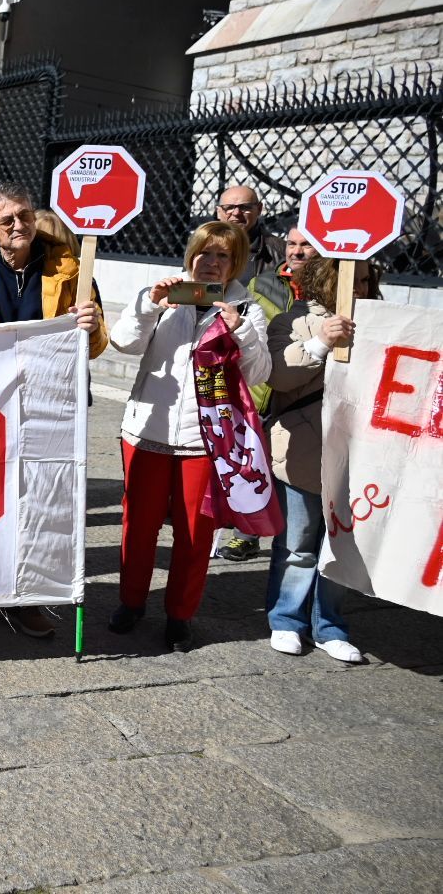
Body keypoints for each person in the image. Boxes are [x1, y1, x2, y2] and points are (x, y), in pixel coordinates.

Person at [0, 183, 107, 638]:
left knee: (42, 503)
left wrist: (87, 328)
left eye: (24, 216)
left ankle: (29, 599)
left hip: (49, 407)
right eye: (7, 220)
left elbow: (95, 345)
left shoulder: (72, 268)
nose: (19, 226)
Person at [107, 221, 270, 652]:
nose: (212, 264)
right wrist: (149, 304)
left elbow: (259, 375)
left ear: (235, 263)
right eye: (205, 253)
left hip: (205, 442)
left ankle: (180, 614)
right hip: (147, 432)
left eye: (223, 256)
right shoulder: (165, 294)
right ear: (191, 255)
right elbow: (123, 342)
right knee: (137, 527)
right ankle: (131, 602)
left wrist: (242, 333)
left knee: (196, 533)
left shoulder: (246, 309)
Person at [263, 255, 376, 665]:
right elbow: (278, 375)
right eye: (352, 279)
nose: (360, 287)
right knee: (296, 546)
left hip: (356, 458)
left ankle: (330, 627)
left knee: (340, 546)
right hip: (302, 457)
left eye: (366, 280)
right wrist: (322, 342)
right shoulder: (292, 321)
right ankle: (286, 620)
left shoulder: (377, 324)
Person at [213, 186, 290, 562]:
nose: (236, 214)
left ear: (258, 211)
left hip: (256, 356)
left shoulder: (276, 251)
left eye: (245, 208)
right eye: (229, 207)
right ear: (218, 210)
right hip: (213, 361)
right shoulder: (209, 239)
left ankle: (247, 530)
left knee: (252, 452)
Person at [278, 226, 317, 303]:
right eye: (291, 244)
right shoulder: (259, 285)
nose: (297, 252)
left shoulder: (337, 287)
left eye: (306, 244)